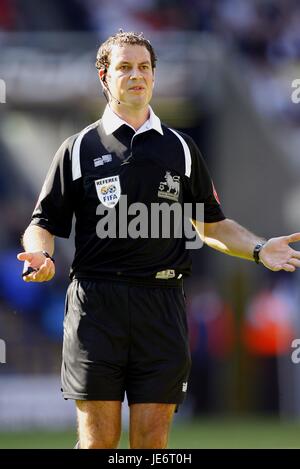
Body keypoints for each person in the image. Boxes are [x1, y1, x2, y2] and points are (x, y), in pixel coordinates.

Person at [17, 30, 300, 449]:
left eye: (145, 67)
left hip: (163, 304)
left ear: (154, 76)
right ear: (104, 76)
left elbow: (212, 225)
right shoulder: (76, 149)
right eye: (125, 67)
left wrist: (259, 249)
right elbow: (42, 222)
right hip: (97, 305)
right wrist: (40, 254)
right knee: (99, 442)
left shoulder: (182, 149)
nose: (137, 76)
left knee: (152, 444)